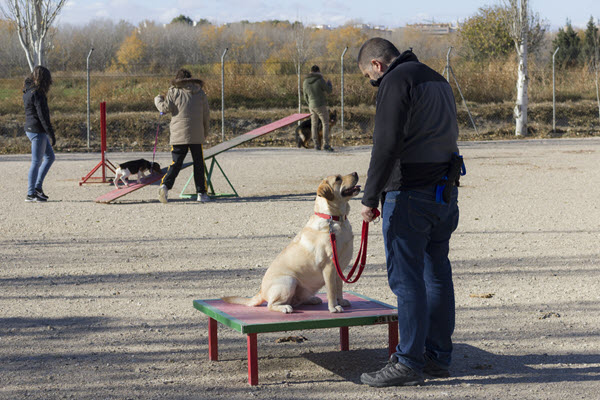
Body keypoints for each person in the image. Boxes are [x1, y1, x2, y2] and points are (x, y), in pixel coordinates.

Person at [357, 38, 461, 387]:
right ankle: (437, 357)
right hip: (444, 193)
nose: (375, 85)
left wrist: (370, 197)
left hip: (410, 194)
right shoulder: (437, 78)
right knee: (436, 273)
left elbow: (385, 144)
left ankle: (408, 361)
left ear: (377, 65)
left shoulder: (397, 81)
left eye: (371, 79)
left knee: (407, 279)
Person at [155, 69, 211, 203]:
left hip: (178, 134)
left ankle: (165, 186)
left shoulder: (173, 91)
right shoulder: (200, 92)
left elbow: (164, 108)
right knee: (198, 163)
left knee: (176, 163)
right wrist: (205, 132)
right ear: (191, 79)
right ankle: (201, 193)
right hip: (197, 133)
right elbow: (206, 114)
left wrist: (157, 99)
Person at [23, 65, 56, 202]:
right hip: (37, 130)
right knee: (36, 161)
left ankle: (37, 188)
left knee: (50, 157)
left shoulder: (28, 90)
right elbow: (43, 116)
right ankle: (31, 193)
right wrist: (51, 133)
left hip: (31, 129)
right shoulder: (38, 93)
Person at [302, 65, 333, 151]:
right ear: (318, 71)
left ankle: (316, 145)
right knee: (325, 123)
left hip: (311, 105)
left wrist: (310, 104)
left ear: (310, 71)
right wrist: (329, 84)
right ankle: (326, 144)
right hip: (321, 105)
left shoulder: (305, 82)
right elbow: (329, 91)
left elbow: (305, 96)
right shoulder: (320, 80)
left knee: (314, 125)